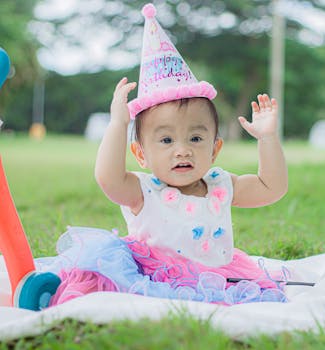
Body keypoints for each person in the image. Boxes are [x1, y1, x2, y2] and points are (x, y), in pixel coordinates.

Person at [38, 3, 288, 306]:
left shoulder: (222, 185)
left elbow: (271, 188)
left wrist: (268, 139)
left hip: (214, 278)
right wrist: (119, 123)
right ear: (140, 154)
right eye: (166, 139)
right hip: (151, 279)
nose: (182, 149)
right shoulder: (144, 191)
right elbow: (108, 178)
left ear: (215, 149)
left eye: (196, 138)